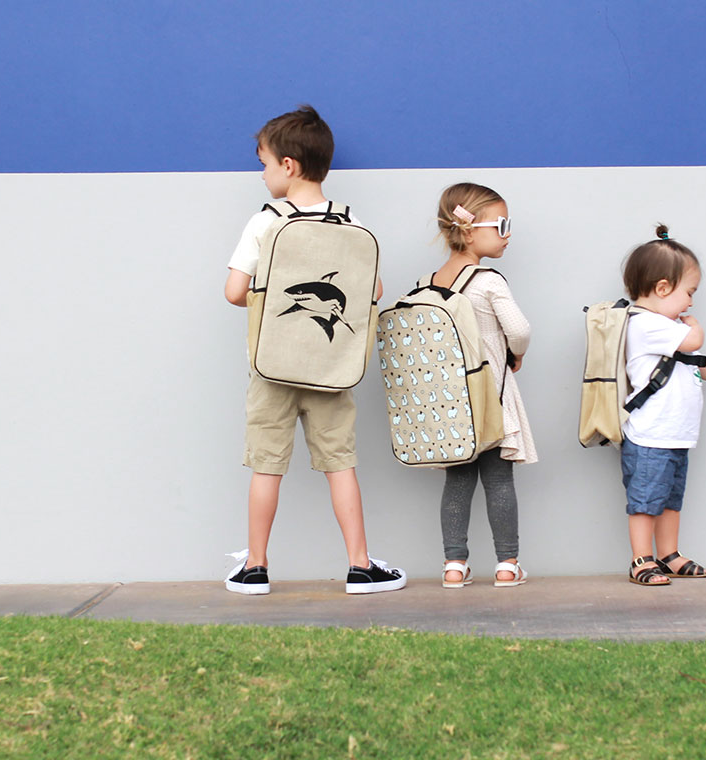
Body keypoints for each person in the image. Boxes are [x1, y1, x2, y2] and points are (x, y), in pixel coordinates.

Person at [223, 105, 406, 596]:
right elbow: (375, 290)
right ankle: (360, 566)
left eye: (263, 164)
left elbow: (235, 293)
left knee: (267, 465)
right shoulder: (351, 223)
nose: (262, 175)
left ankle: (256, 568)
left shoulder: (265, 223)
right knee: (340, 464)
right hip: (331, 371)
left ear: (288, 166)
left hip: (271, 370)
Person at [620, 224, 706, 586]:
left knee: (670, 499)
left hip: (676, 435)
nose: (691, 303)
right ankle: (641, 560)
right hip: (651, 435)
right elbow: (694, 340)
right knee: (645, 500)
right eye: (689, 292)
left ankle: (669, 555)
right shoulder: (646, 324)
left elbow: (698, 361)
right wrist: (694, 327)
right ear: (663, 288)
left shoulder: (669, 330)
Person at [428, 183, 537, 589]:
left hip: (452, 401)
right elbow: (520, 330)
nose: (508, 234)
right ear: (471, 230)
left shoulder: (432, 280)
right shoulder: (489, 280)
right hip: (489, 395)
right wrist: (516, 351)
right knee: (499, 481)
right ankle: (507, 564)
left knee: (457, 482)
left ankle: (454, 565)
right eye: (502, 224)